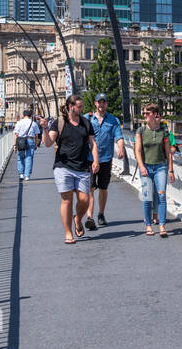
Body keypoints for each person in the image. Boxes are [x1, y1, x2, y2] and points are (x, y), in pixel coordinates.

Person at [49, 95, 99, 244]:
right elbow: (47, 142)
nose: (82, 109)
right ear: (71, 107)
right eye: (79, 106)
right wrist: (45, 129)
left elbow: (93, 144)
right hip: (63, 166)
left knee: (84, 200)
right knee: (67, 200)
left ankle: (78, 219)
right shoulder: (59, 122)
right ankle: (68, 233)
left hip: (82, 166)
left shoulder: (85, 123)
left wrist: (96, 160)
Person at [134, 104, 173, 237]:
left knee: (161, 195)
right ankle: (149, 225)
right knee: (147, 198)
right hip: (146, 167)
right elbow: (137, 150)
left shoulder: (164, 131)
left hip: (161, 167)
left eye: (147, 113)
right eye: (143, 113)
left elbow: (168, 152)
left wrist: (171, 170)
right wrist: (141, 166)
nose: (144, 116)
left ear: (155, 114)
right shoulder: (141, 130)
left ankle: (162, 225)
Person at [85, 93, 123, 229]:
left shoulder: (113, 120)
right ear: (95, 103)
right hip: (89, 159)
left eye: (104, 102)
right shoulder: (87, 119)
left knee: (103, 188)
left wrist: (120, 148)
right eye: (99, 102)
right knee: (90, 188)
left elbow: (118, 136)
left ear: (106, 104)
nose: (101, 105)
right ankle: (89, 216)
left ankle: (100, 214)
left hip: (105, 158)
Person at [13, 109, 40, 180]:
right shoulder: (33, 123)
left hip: (21, 140)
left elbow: (16, 134)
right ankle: (27, 175)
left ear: (23, 115)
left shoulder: (19, 123)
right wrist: (36, 144)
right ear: (30, 115)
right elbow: (36, 135)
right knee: (29, 157)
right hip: (30, 140)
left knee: (20, 157)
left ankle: (21, 174)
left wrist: (15, 145)